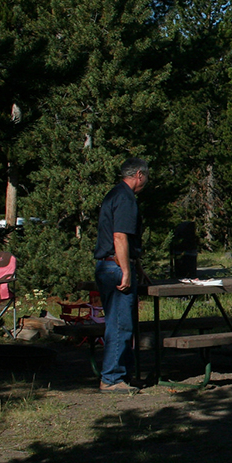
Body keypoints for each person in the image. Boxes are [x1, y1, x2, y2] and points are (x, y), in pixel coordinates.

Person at [93, 158, 150, 392]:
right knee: (120, 324)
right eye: (146, 176)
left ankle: (124, 374)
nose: (146, 181)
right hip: (115, 267)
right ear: (139, 174)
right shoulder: (126, 199)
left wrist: (136, 267)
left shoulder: (115, 194)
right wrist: (126, 270)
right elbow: (119, 237)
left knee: (124, 323)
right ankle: (112, 378)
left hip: (112, 265)